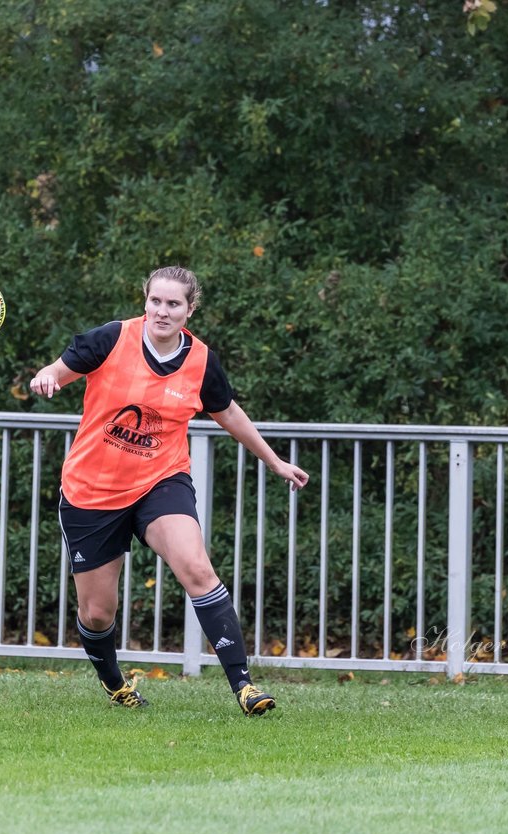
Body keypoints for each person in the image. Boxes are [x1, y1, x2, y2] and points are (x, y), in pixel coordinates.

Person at [30, 266, 309, 716]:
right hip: (92, 491)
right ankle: (115, 682)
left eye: (173, 304)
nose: (162, 311)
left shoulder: (201, 361)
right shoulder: (110, 339)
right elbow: (56, 373)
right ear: (145, 302)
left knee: (197, 567)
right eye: (155, 301)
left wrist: (274, 461)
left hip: (161, 481)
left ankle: (244, 686)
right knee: (98, 613)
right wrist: (45, 377)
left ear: (190, 309)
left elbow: (229, 412)